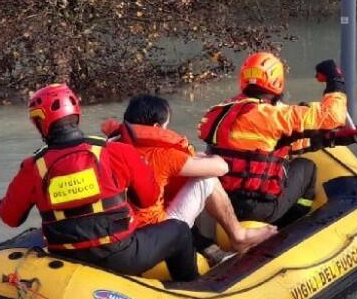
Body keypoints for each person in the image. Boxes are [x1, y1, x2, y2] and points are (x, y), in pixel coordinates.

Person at [0, 84, 200, 281]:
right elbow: (148, 199)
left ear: (39, 124)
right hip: (121, 255)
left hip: (65, 259)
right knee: (179, 230)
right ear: (77, 114)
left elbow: (10, 218)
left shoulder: (33, 167)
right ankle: (192, 294)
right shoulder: (117, 151)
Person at [102, 95, 276, 252]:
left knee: (193, 166)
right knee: (207, 180)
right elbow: (222, 167)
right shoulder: (163, 155)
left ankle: (204, 243)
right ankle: (239, 236)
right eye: (166, 126)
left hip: (125, 228)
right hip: (157, 231)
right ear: (156, 127)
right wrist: (207, 157)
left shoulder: (111, 145)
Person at [197, 52, 348, 227]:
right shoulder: (273, 116)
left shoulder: (220, 111)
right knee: (307, 167)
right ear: (277, 82)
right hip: (259, 208)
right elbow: (333, 116)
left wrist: (332, 140)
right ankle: (291, 225)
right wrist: (335, 79)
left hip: (221, 202)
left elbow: (269, 146)